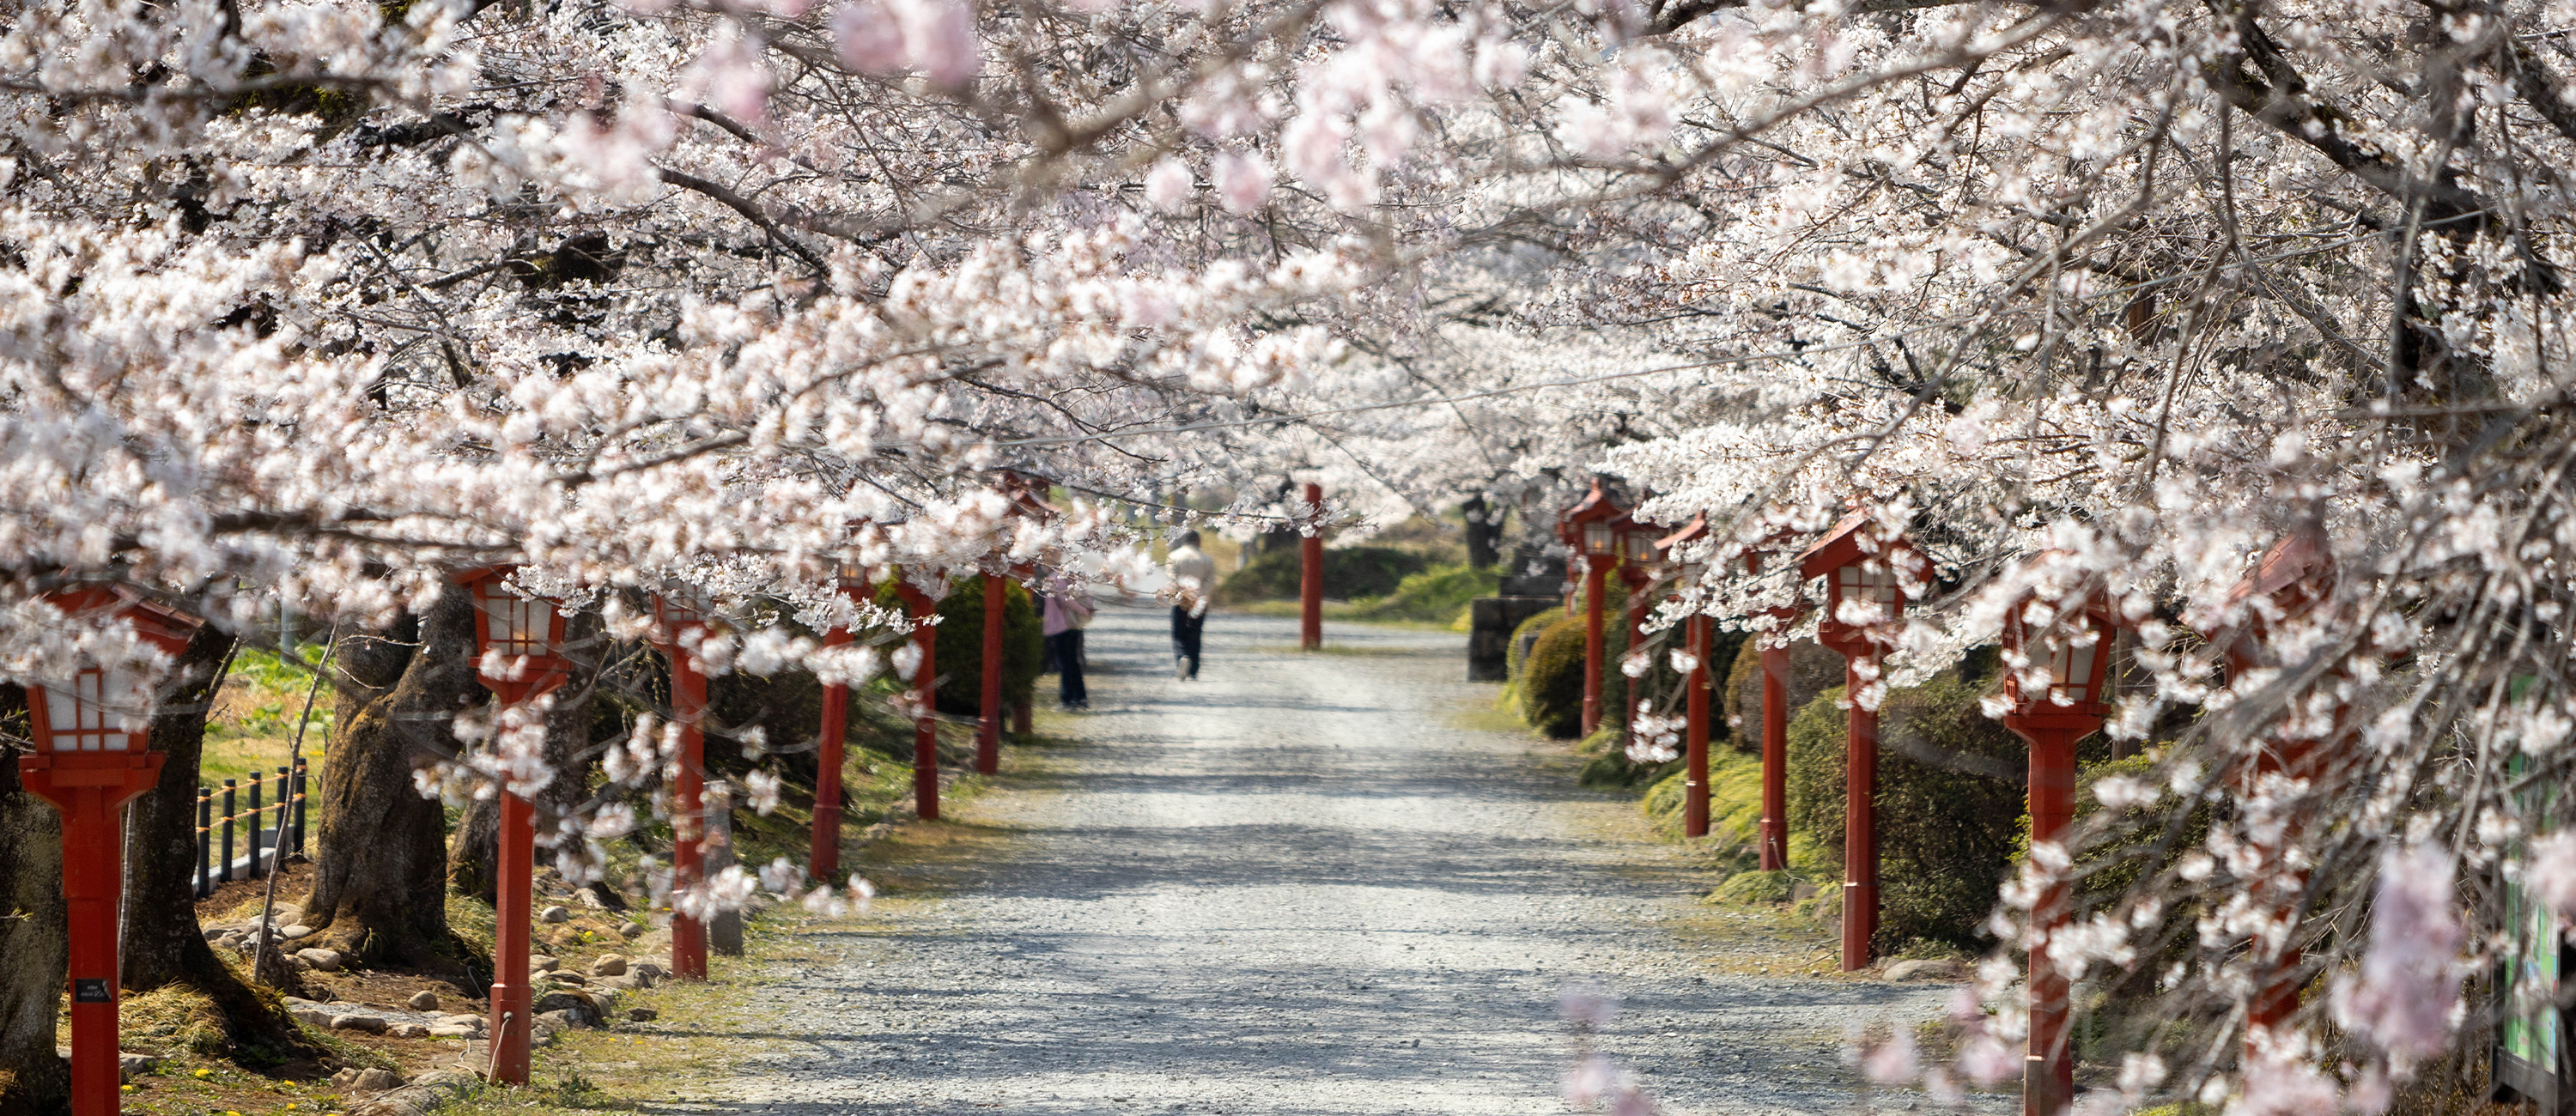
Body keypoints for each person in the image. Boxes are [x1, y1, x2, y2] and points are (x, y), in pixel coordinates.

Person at [1167, 530, 1216, 680]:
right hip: (1199, 600)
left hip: (1180, 600)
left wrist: (1182, 592)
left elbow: (1172, 578)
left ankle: (1182, 657)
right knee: (1195, 633)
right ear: (1198, 541)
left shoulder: (1174, 557)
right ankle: (1194, 669)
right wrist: (1199, 592)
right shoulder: (1206, 559)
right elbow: (1210, 580)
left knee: (1179, 633)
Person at [1042, 578, 1092, 710]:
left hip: (1062, 626)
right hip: (1073, 625)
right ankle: (1080, 697)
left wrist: (1083, 611)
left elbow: (1066, 600)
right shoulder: (1072, 578)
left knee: (1064, 663)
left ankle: (1068, 698)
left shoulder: (1054, 579)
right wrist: (1087, 611)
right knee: (1072, 662)